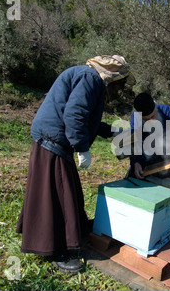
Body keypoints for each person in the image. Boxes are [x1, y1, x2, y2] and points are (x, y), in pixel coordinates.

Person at [16, 55, 134, 274]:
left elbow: (89, 120)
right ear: (112, 75)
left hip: (53, 138)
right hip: (52, 139)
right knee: (56, 194)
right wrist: (82, 147)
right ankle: (54, 249)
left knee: (67, 190)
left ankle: (76, 229)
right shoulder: (90, 78)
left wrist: (113, 131)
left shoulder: (86, 76)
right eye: (120, 82)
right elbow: (75, 114)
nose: (119, 87)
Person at [128, 92, 170, 181]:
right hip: (148, 163)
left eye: (152, 116)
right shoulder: (135, 117)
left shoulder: (167, 111)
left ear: (156, 108)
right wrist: (136, 162)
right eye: (145, 119)